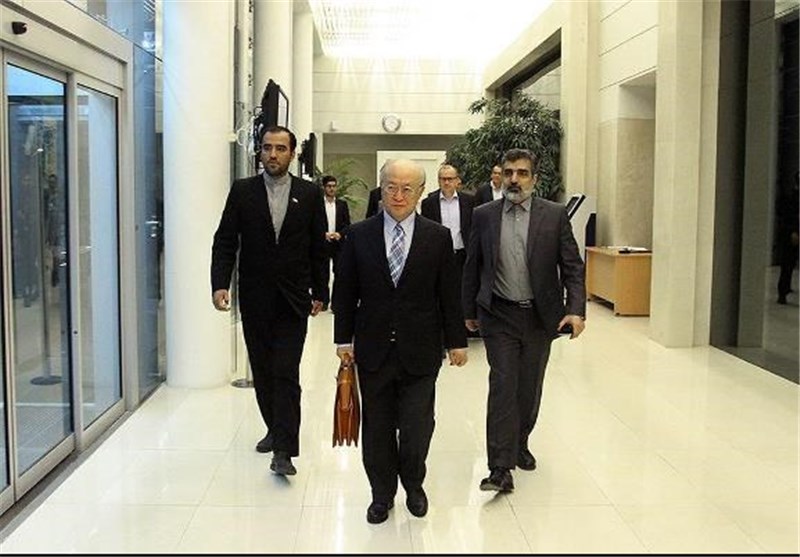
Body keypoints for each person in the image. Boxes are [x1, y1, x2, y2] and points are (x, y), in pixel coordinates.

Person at [333, 159, 468, 524]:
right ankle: (381, 494)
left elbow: (448, 294)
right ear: (381, 189)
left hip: (421, 349)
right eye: (391, 187)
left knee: (416, 427)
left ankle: (413, 484)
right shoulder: (358, 235)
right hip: (373, 348)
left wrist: (457, 341)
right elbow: (345, 292)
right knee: (377, 427)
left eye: (407, 188)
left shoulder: (437, 237)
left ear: (421, 192)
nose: (398, 195)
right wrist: (343, 340)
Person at [462, 148, 586, 493]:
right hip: (498, 314)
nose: (514, 179)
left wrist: (575, 309)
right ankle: (500, 467)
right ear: (500, 175)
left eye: (522, 173)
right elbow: (473, 264)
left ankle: (519, 442)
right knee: (503, 385)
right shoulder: (484, 215)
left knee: (528, 387)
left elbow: (572, 267)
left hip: (539, 317)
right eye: (508, 172)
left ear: (534, 178)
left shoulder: (554, 215)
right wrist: (468, 311)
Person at [211, 125, 329, 477]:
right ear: (259, 152)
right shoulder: (242, 191)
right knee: (263, 372)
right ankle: (275, 428)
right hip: (255, 298)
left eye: (280, 148)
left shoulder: (309, 194)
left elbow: (318, 247)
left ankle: (284, 450)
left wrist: (321, 291)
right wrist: (219, 283)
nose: (272, 154)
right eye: (267, 148)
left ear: (292, 153)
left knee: (285, 372)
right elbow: (225, 240)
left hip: (294, 299)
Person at [420, 163, 476, 338]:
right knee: (442, 293)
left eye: (450, 179)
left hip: (462, 254)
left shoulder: (469, 201)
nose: (446, 182)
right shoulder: (429, 203)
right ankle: (442, 333)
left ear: (457, 181)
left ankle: (462, 332)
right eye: (443, 179)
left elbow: (474, 228)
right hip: (440, 256)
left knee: (462, 293)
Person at [321, 174, 351, 310]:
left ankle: (336, 303)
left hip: (338, 242)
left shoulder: (342, 205)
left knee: (339, 272)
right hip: (323, 241)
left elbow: (347, 224)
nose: (332, 189)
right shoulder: (319, 204)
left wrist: (340, 234)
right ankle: (323, 302)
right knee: (323, 273)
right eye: (329, 186)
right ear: (324, 187)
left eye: (334, 186)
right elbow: (314, 222)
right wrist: (323, 234)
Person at [776, 171, 799, 304]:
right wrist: (793, 232)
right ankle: (782, 292)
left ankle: (785, 288)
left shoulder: (791, 196)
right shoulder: (792, 198)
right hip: (791, 234)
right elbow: (788, 217)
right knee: (787, 264)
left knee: (789, 263)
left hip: (792, 233)